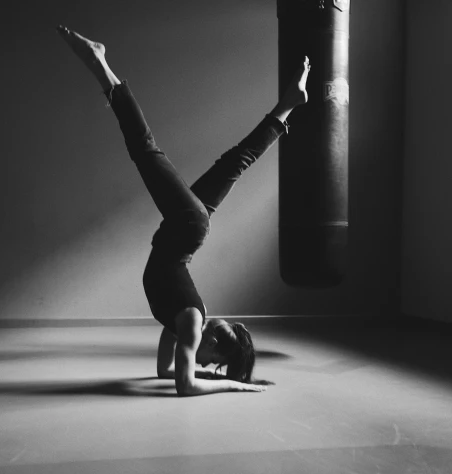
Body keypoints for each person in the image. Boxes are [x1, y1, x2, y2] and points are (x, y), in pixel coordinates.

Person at [57, 25, 310, 396]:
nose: (204, 364)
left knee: (233, 163)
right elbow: (184, 387)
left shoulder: (184, 323)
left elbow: (165, 371)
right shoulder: (191, 322)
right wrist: (231, 387)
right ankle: (101, 65)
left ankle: (289, 104)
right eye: (213, 361)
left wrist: (212, 377)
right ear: (212, 344)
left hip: (188, 230)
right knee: (146, 152)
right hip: (186, 227)